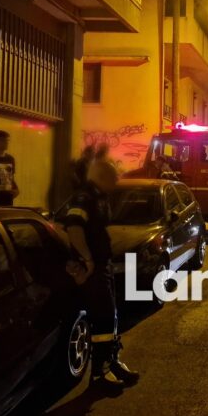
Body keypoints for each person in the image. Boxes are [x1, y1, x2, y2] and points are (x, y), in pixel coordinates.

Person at [62, 160, 140, 387]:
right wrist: (87, 259)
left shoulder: (99, 197)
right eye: (113, 177)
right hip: (93, 269)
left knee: (110, 315)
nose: (116, 182)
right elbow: (74, 227)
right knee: (102, 317)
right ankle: (100, 373)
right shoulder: (84, 198)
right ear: (101, 177)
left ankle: (111, 361)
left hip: (103, 265)